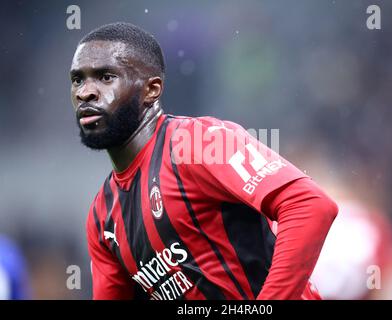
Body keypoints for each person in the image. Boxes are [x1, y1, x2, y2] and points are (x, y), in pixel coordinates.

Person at [70, 22, 338, 300]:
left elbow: (308, 205)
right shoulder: (102, 217)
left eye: (105, 77)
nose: (85, 92)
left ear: (151, 90)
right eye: (77, 79)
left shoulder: (198, 143)